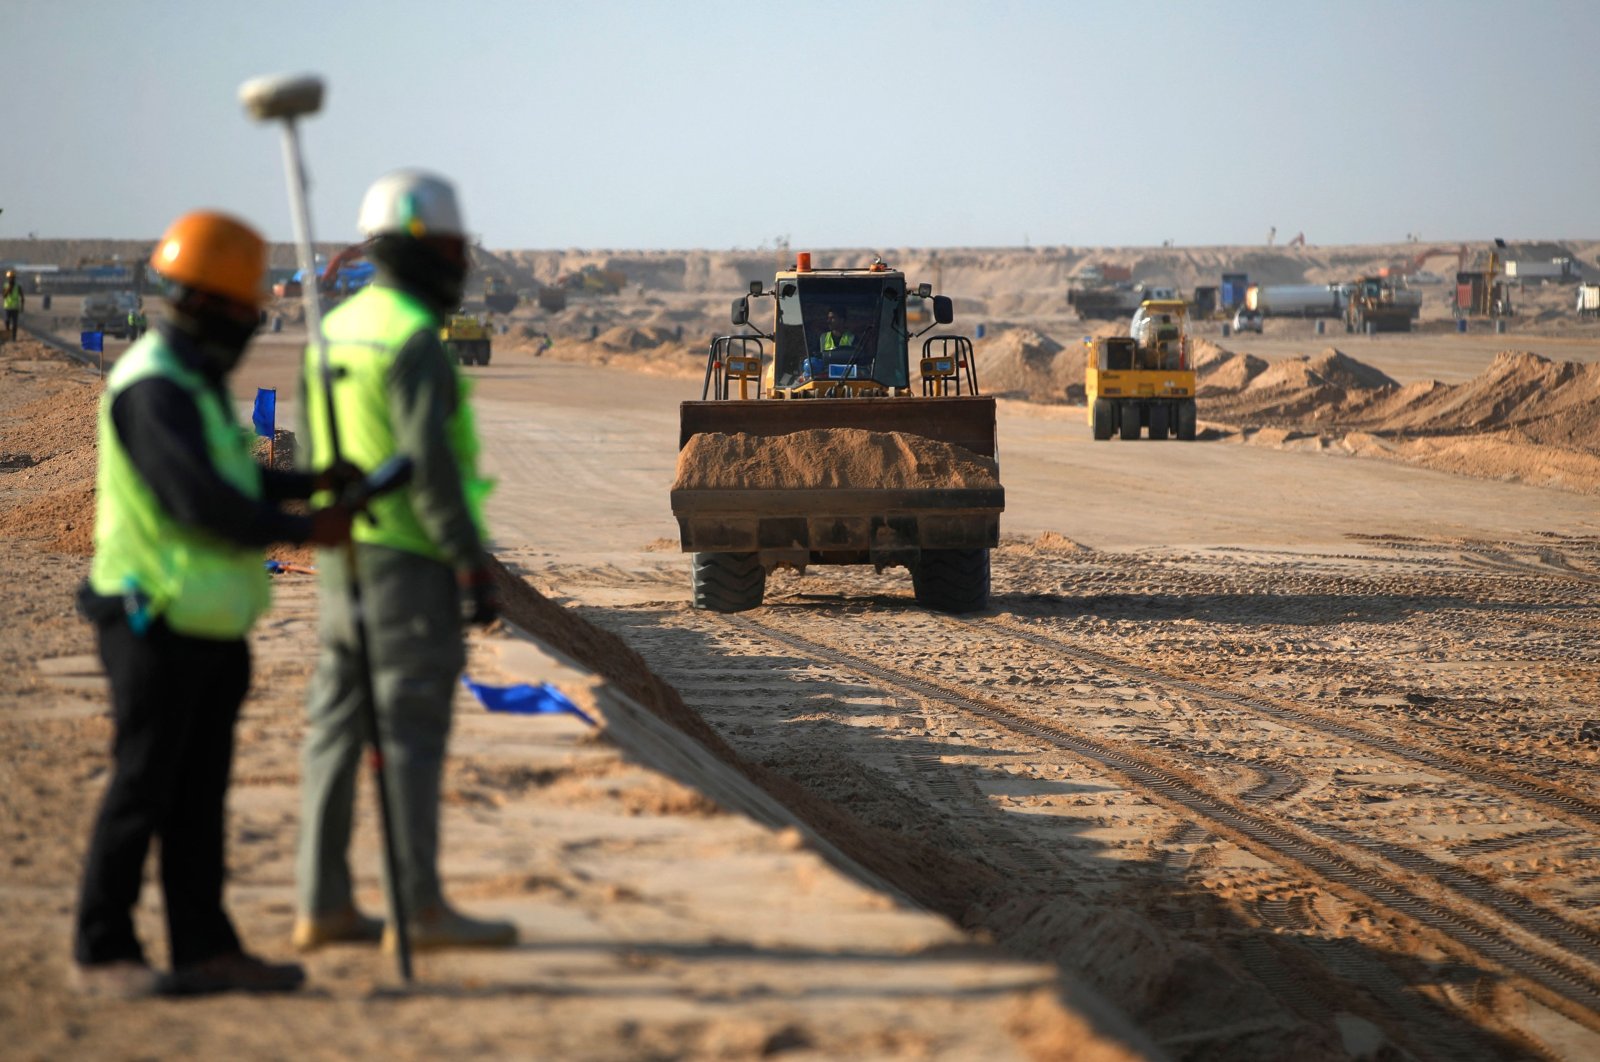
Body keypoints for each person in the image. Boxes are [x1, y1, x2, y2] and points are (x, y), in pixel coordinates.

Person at [73, 211, 357, 999]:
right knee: (143, 788)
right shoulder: (154, 387)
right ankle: (104, 952)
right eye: (243, 314)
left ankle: (205, 950)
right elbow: (198, 502)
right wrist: (308, 529)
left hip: (208, 625)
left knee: (196, 803)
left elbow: (235, 477)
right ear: (210, 307)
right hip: (152, 619)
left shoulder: (191, 384)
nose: (247, 327)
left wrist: (314, 483)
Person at [293, 170, 514, 954]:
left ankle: (321, 904)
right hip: (411, 566)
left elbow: (316, 456)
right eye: (454, 248)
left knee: (335, 729)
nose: (460, 264)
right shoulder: (414, 340)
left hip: (343, 560)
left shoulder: (335, 333)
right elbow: (431, 464)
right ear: (422, 249)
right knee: (412, 734)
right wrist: (469, 564)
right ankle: (417, 908)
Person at [3, 269, 24, 340]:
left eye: (12, 278)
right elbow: (4, 296)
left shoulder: (18, 286)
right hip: (7, 307)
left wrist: (22, 307)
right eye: (10, 278)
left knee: (15, 324)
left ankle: (14, 337)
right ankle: (7, 336)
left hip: (15, 308)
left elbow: (22, 297)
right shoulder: (5, 286)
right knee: (7, 322)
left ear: (14, 278)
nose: (11, 279)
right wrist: (8, 289)